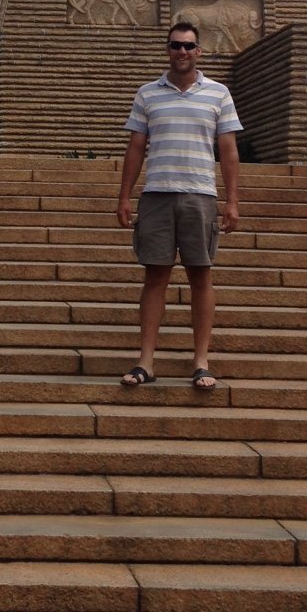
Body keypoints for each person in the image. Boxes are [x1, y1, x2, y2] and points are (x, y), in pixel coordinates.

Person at [115, 21, 242, 392]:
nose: (182, 52)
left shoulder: (218, 93)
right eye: (175, 46)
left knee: (200, 275)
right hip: (157, 193)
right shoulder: (147, 94)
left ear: (199, 51)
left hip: (200, 194)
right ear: (167, 50)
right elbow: (136, 146)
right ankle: (146, 361)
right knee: (155, 277)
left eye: (188, 46)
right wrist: (124, 196)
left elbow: (229, 150)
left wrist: (232, 200)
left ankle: (201, 362)